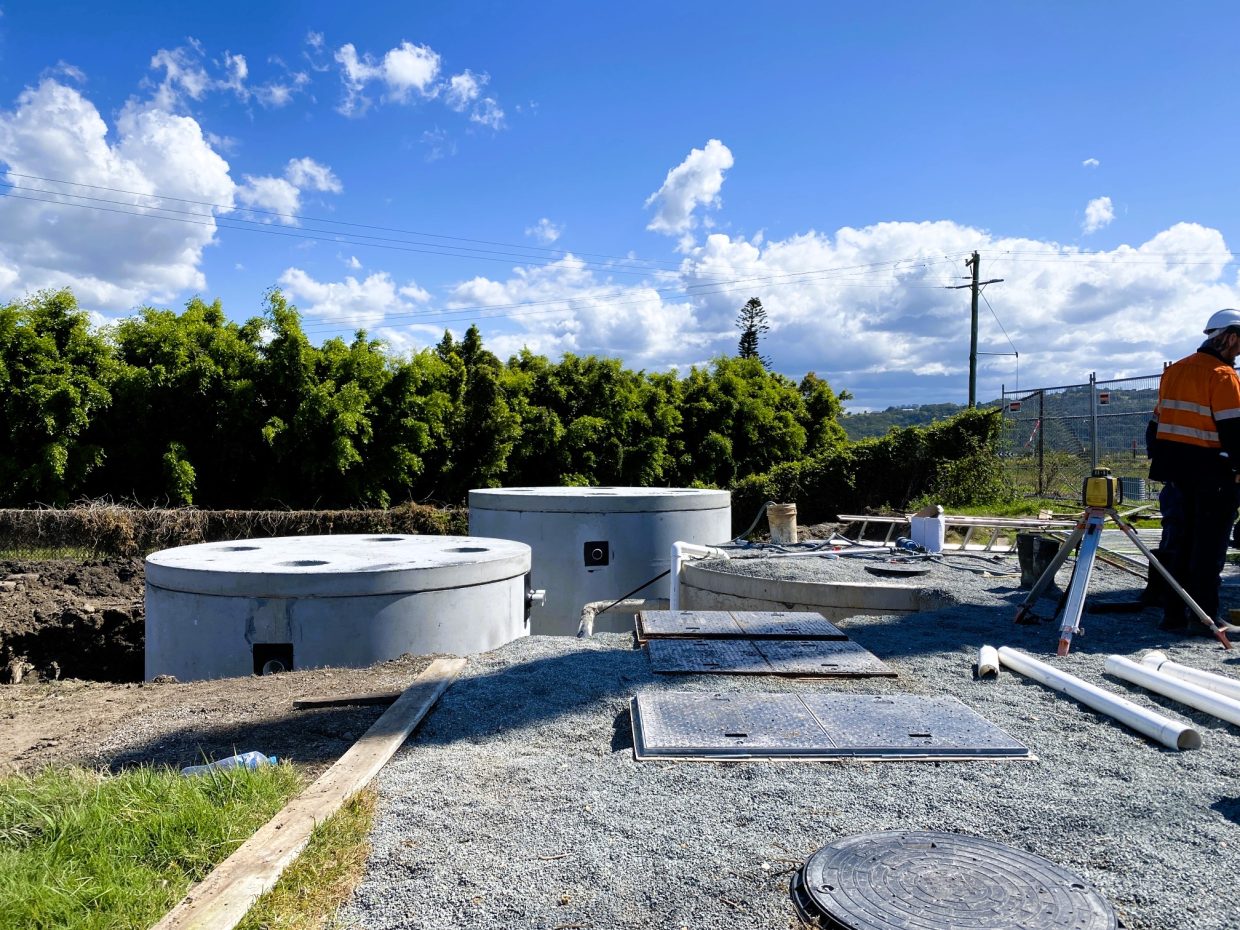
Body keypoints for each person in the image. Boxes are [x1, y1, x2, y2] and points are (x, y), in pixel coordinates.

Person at [1148, 308, 1240, 635]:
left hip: (1178, 476)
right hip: (1213, 476)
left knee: (1179, 547)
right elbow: (1234, 433)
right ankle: (1207, 619)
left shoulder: (1175, 371)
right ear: (1229, 337)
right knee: (1209, 550)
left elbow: (1155, 427)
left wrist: (1164, 465)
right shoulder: (1223, 375)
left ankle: (1173, 616)